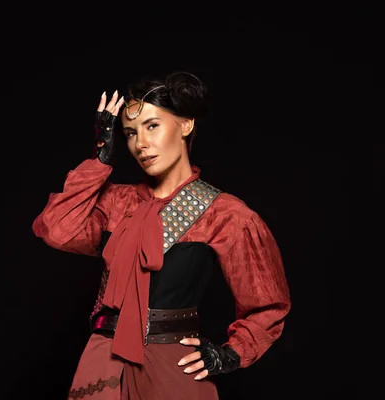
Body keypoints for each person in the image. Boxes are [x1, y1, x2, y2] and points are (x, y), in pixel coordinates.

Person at [32, 71, 291, 399]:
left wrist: (230, 354)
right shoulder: (116, 201)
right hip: (103, 359)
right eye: (129, 133)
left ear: (185, 125)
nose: (140, 144)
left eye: (152, 125)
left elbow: (268, 302)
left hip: (173, 362)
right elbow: (57, 230)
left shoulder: (226, 213)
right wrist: (101, 157)